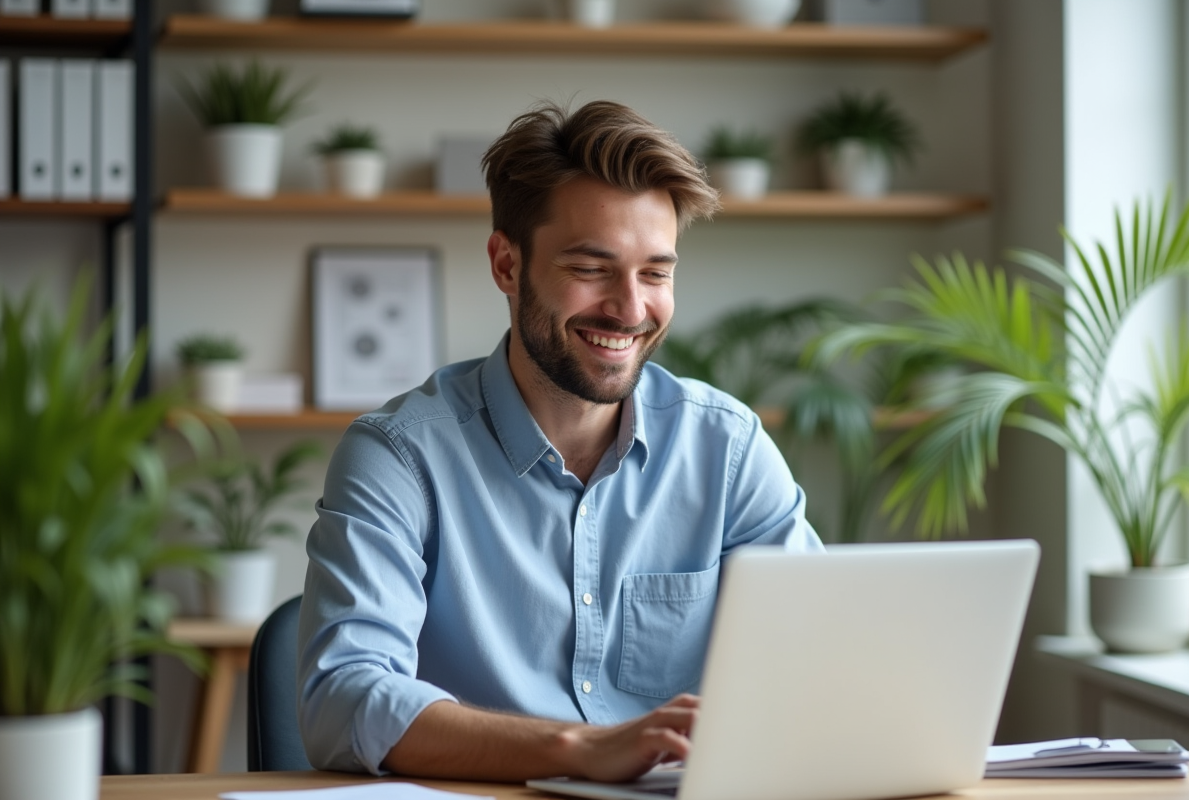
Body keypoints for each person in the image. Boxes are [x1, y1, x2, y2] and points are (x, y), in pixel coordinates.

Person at [297, 99, 823, 782]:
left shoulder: (727, 449)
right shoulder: (400, 457)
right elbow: (342, 700)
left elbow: (823, 659)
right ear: (507, 265)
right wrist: (578, 750)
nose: (630, 309)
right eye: (591, 268)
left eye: (655, 272)